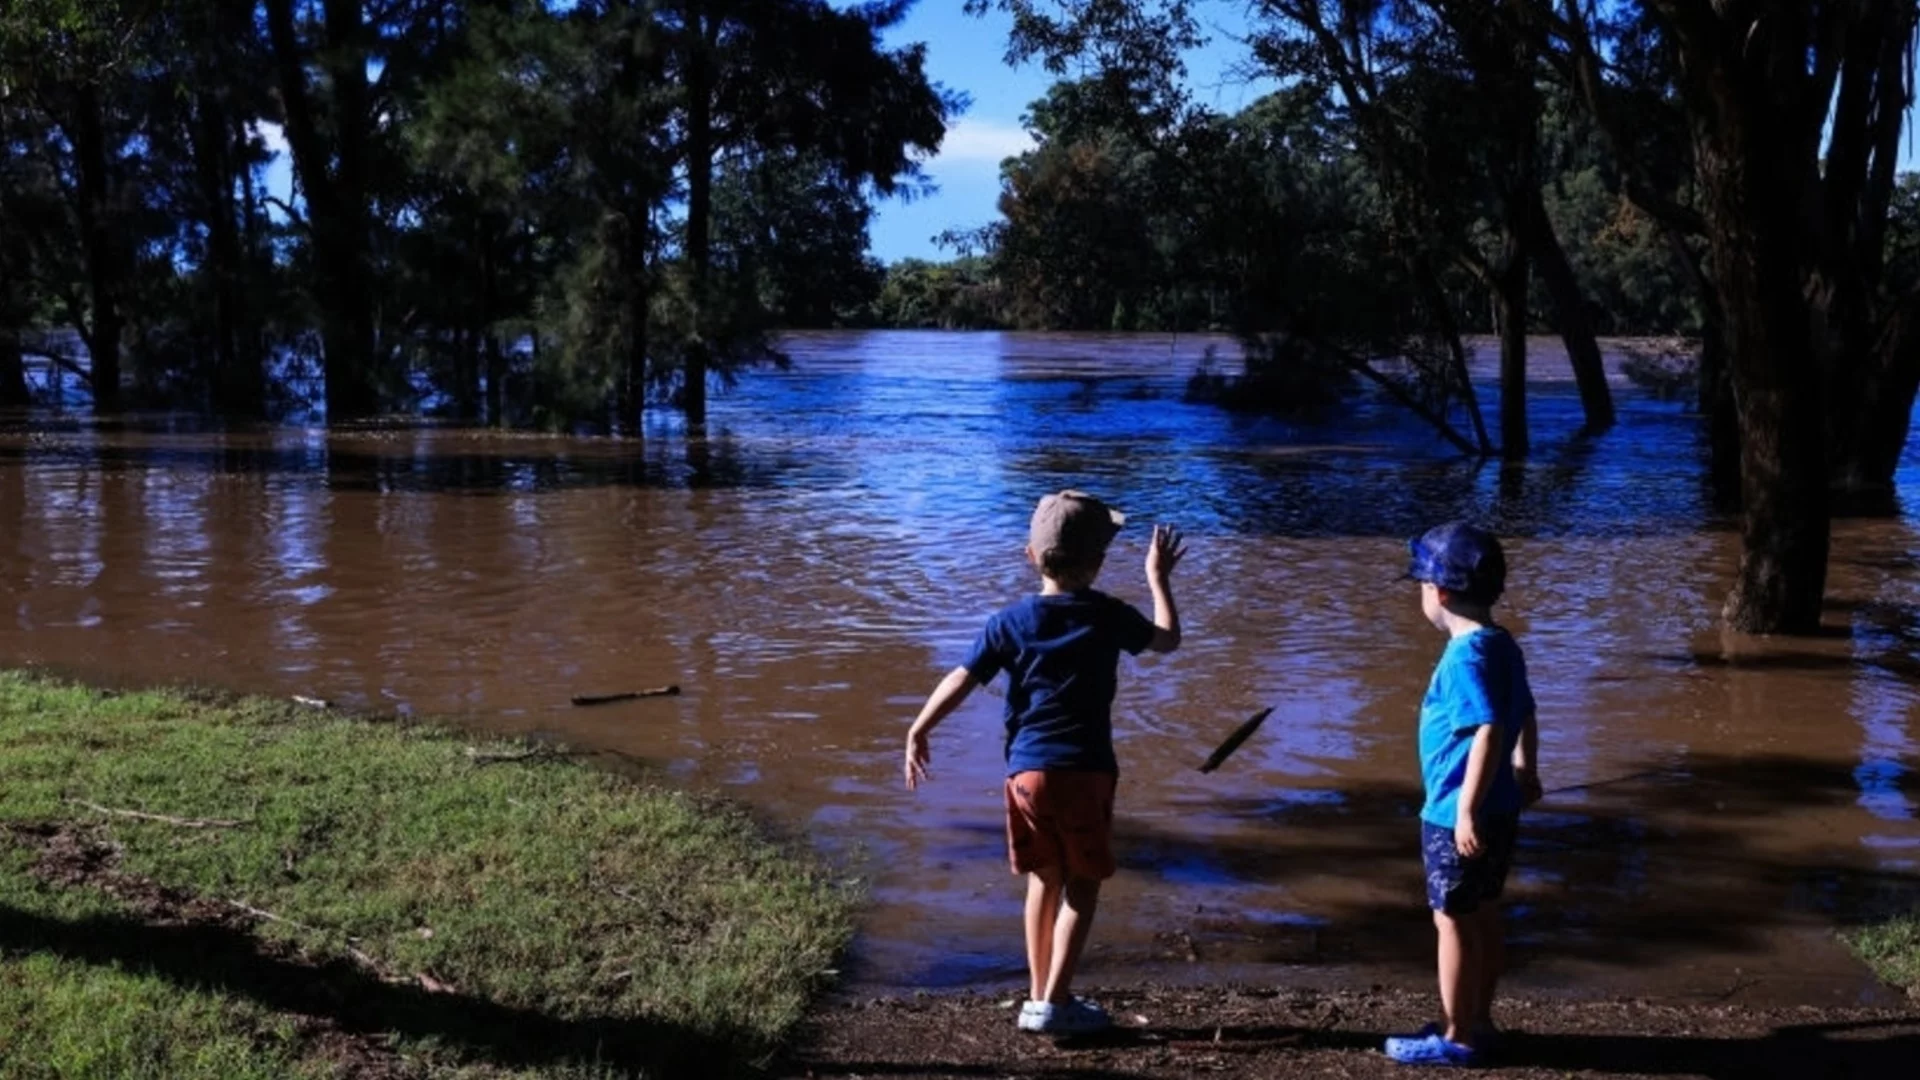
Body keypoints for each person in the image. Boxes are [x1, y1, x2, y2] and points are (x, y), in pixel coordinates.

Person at [904, 490, 1185, 1035]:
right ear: (1098, 562)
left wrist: (920, 728)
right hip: (1086, 772)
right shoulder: (1107, 615)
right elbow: (1168, 641)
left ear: (1030, 556)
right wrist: (1158, 576)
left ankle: (1038, 998)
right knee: (1084, 885)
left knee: (1043, 879)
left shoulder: (1007, 622)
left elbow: (961, 678)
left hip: (1025, 774)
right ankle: (1056, 1003)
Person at [1385, 522, 1542, 1067]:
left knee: (1450, 919)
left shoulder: (1463, 658)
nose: (1421, 596)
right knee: (1484, 912)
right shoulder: (1502, 644)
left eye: (1421, 586)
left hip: (1459, 814)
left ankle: (1457, 1036)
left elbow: (1490, 726)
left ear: (1440, 592)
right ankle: (1481, 1018)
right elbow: (1525, 710)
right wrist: (1527, 768)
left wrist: (1465, 811)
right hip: (1500, 808)